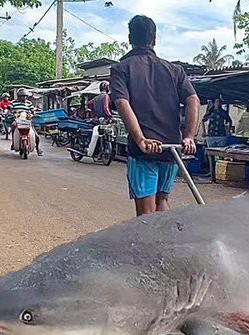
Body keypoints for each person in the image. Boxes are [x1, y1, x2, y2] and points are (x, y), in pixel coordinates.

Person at [110, 15, 200, 217]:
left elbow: (122, 103)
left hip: (145, 150)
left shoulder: (121, 69)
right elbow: (193, 99)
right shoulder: (175, 70)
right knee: (162, 201)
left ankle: (151, 239)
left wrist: (140, 138)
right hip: (171, 148)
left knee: (146, 213)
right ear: (154, 39)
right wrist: (189, 136)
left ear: (130, 38)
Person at [85, 81, 113, 157]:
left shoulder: (96, 97)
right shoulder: (105, 96)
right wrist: (110, 116)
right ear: (107, 88)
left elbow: (88, 104)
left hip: (97, 119)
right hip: (104, 120)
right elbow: (106, 108)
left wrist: (94, 112)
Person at [10, 89, 41, 155]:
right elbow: (10, 109)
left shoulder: (29, 103)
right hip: (17, 120)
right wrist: (11, 112)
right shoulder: (14, 102)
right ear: (19, 96)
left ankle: (38, 148)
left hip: (27, 120)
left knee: (36, 135)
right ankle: (13, 143)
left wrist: (33, 113)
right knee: (13, 126)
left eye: (25, 96)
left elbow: (32, 110)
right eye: (22, 96)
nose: (24, 97)